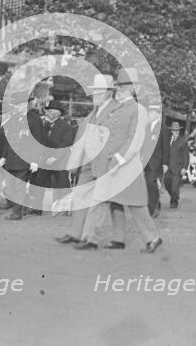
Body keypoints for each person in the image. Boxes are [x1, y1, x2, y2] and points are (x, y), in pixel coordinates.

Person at [76, 68, 162, 253]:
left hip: (126, 166)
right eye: (119, 86)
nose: (120, 89)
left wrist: (119, 158)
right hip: (108, 164)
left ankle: (153, 238)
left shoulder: (138, 110)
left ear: (135, 88)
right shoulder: (115, 108)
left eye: (126, 86)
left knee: (136, 205)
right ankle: (107, 239)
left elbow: (135, 139)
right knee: (105, 201)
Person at [56, 74, 115, 245]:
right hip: (87, 162)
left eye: (99, 92)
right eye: (94, 92)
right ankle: (75, 233)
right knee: (81, 197)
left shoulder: (115, 111)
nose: (95, 95)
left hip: (104, 162)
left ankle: (91, 237)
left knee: (100, 201)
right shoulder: (93, 113)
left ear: (109, 93)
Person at [0, 92, 44, 221]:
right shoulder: (14, 118)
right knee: (11, 186)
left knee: (19, 187)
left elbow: (39, 141)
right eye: (17, 105)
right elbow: (9, 139)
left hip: (25, 159)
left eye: (21, 105)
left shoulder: (35, 119)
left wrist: (35, 160)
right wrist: (4, 155)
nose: (18, 107)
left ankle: (17, 213)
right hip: (12, 158)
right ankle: (20, 208)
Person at [41, 100, 73, 192]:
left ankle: (61, 205)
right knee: (39, 184)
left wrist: (55, 157)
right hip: (45, 160)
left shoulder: (65, 126)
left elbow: (65, 144)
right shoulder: (45, 126)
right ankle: (36, 205)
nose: (47, 113)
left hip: (60, 161)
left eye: (50, 111)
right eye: (47, 111)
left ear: (57, 113)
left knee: (61, 186)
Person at [143, 104, 165, 217]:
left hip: (157, 163)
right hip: (145, 163)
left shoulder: (162, 129)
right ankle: (154, 205)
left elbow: (166, 147)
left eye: (151, 113)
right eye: (149, 112)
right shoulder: (146, 128)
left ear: (157, 114)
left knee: (151, 183)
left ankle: (154, 208)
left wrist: (165, 163)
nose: (149, 115)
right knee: (147, 185)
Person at [162, 121, 189, 209]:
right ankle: (174, 196)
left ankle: (174, 201)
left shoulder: (183, 141)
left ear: (179, 131)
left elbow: (186, 156)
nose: (175, 132)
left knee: (175, 187)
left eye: (177, 130)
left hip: (178, 168)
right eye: (174, 130)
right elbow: (165, 152)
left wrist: (184, 168)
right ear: (171, 131)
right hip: (168, 167)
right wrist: (164, 164)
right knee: (166, 183)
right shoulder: (168, 140)